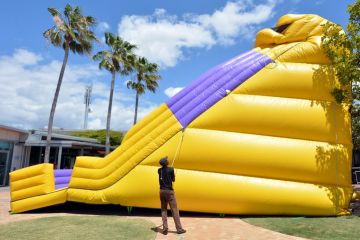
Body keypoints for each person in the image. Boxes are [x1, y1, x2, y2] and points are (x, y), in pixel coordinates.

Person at [158, 156, 186, 235]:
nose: (168, 160)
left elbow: (164, 174)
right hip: (169, 192)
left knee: (164, 210)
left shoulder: (159, 170)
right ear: (166, 162)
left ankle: (165, 228)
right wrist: (172, 174)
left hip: (161, 191)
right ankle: (179, 229)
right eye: (167, 160)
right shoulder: (171, 169)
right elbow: (173, 179)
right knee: (174, 210)